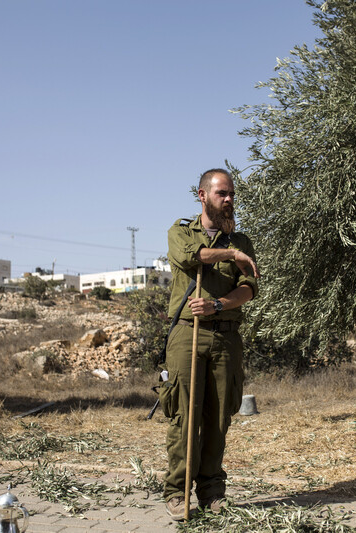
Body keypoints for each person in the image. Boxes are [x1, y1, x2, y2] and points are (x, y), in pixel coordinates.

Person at [159, 168, 260, 520]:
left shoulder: (242, 240)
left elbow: (248, 289)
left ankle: (212, 491)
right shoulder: (180, 231)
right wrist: (231, 256)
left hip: (226, 335)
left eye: (231, 193)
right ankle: (176, 491)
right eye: (222, 194)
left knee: (218, 418)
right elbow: (193, 256)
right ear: (202, 196)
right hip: (188, 331)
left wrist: (218, 304)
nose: (229, 199)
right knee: (184, 416)